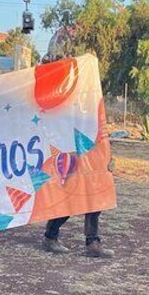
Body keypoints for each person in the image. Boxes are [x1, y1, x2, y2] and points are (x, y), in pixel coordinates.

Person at [40, 53, 114, 259]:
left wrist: (105, 148)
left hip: (89, 148)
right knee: (72, 195)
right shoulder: (53, 94)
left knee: (95, 195)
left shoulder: (83, 94)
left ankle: (92, 242)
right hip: (68, 151)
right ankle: (50, 236)